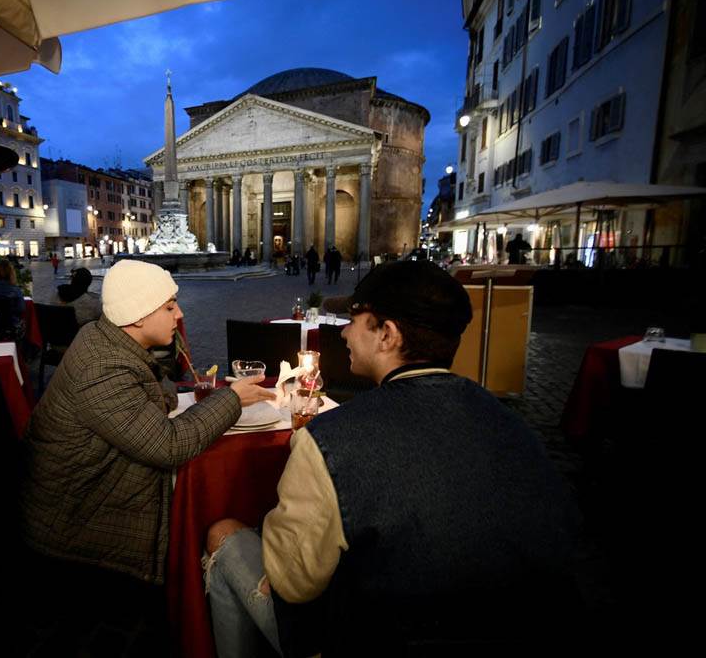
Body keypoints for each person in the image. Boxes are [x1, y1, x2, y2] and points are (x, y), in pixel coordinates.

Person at [204, 261, 580, 657]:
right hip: (528, 632)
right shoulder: (513, 425)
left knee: (224, 534)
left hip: (379, 637)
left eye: (353, 319)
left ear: (386, 334)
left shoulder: (332, 439)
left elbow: (294, 582)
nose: (344, 332)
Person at [20, 260, 275, 591]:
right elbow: (168, 447)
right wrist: (233, 400)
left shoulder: (105, 339)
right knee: (209, 503)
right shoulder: (103, 367)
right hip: (73, 516)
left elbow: (153, 393)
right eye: (169, 306)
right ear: (138, 315)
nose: (179, 315)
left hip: (84, 489)